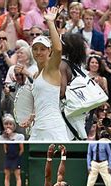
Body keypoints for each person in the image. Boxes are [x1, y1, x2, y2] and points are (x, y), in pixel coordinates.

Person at [29, 6, 69, 141]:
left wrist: (51, 23)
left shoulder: (51, 69)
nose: (39, 52)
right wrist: (32, 115)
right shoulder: (35, 75)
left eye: (43, 49)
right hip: (37, 128)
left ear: (49, 51)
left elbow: (58, 49)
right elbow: (42, 102)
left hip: (53, 128)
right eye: (35, 49)